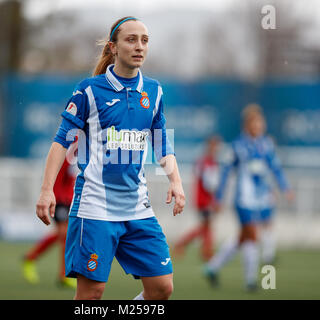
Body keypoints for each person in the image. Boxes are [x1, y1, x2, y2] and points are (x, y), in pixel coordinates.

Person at [35, 16, 185, 300]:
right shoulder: (89, 90)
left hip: (137, 208)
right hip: (95, 208)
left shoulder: (153, 91)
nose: (139, 46)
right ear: (113, 47)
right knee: (92, 295)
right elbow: (61, 140)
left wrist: (176, 181)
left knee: (162, 288)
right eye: (131, 39)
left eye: (144, 40)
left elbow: (161, 140)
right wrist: (46, 190)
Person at [203, 103, 293, 291]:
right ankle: (251, 281)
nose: (259, 127)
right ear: (248, 125)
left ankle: (212, 267)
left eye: (261, 123)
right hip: (244, 200)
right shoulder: (237, 147)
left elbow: (275, 169)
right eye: (256, 123)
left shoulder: (266, 145)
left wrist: (285, 188)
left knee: (243, 238)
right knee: (252, 236)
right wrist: (218, 198)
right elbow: (226, 173)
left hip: (261, 199)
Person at [23, 140, 78, 288]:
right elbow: (59, 172)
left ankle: (31, 257)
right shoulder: (71, 145)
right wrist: (52, 193)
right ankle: (63, 274)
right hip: (60, 197)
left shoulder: (82, 145)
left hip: (69, 197)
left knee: (64, 234)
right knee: (65, 234)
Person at [174, 135, 221, 262]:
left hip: (204, 198)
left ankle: (204, 250)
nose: (216, 149)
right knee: (206, 225)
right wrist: (215, 200)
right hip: (204, 199)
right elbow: (209, 184)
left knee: (206, 225)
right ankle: (191, 246)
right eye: (214, 146)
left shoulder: (208, 161)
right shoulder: (206, 162)